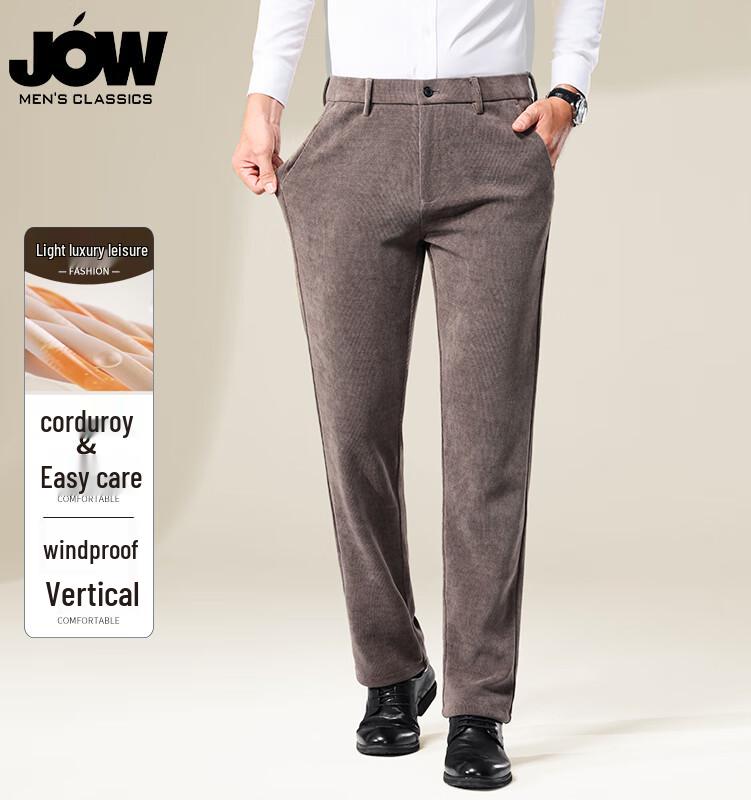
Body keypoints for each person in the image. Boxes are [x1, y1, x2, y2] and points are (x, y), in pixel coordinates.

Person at [233, 0, 605, 790]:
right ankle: (392, 669)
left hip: (494, 132)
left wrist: (569, 90)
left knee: (488, 439)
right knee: (353, 428)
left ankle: (478, 705)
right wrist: (264, 100)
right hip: (356, 130)